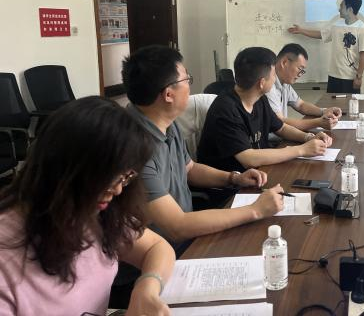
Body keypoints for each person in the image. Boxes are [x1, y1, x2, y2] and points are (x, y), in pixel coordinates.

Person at [0, 96, 175, 316]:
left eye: (126, 177)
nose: (118, 190)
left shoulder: (93, 211)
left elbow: (156, 247)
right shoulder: (7, 260)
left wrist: (146, 287)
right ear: (65, 169)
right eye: (109, 177)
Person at [121, 45, 284, 254]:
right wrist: (256, 210)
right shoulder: (133, 147)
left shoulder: (165, 123)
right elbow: (177, 226)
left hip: (188, 238)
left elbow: (189, 169)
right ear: (169, 94)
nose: (189, 86)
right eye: (186, 80)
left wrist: (234, 178)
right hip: (159, 256)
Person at [197, 46, 333, 173]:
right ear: (262, 83)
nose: (275, 79)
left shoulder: (259, 99)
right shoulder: (225, 109)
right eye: (273, 75)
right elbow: (248, 158)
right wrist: (301, 150)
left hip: (258, 172)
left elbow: (281, 128)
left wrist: (308, 137)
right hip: (231, 182)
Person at [289, 0, 364, 94]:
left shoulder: (362, 28)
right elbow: (322, 34)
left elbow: (363, 55)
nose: (339, 9)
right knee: (331, 102)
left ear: (350, 9)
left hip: (350, 77)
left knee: (350, 103)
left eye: (342, 6)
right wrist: (301, 31)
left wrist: (359, 77)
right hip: (333, 76)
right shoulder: (336, 24)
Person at [266, 43, 343, 131]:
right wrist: (318, 122)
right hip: (273, 138)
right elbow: (280, 122)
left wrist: (324, 111)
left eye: (302, 71)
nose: (300, 74)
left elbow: (300, 105)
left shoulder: (285, 83)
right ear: (284, 62)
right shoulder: (268, 87)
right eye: (300, 68)